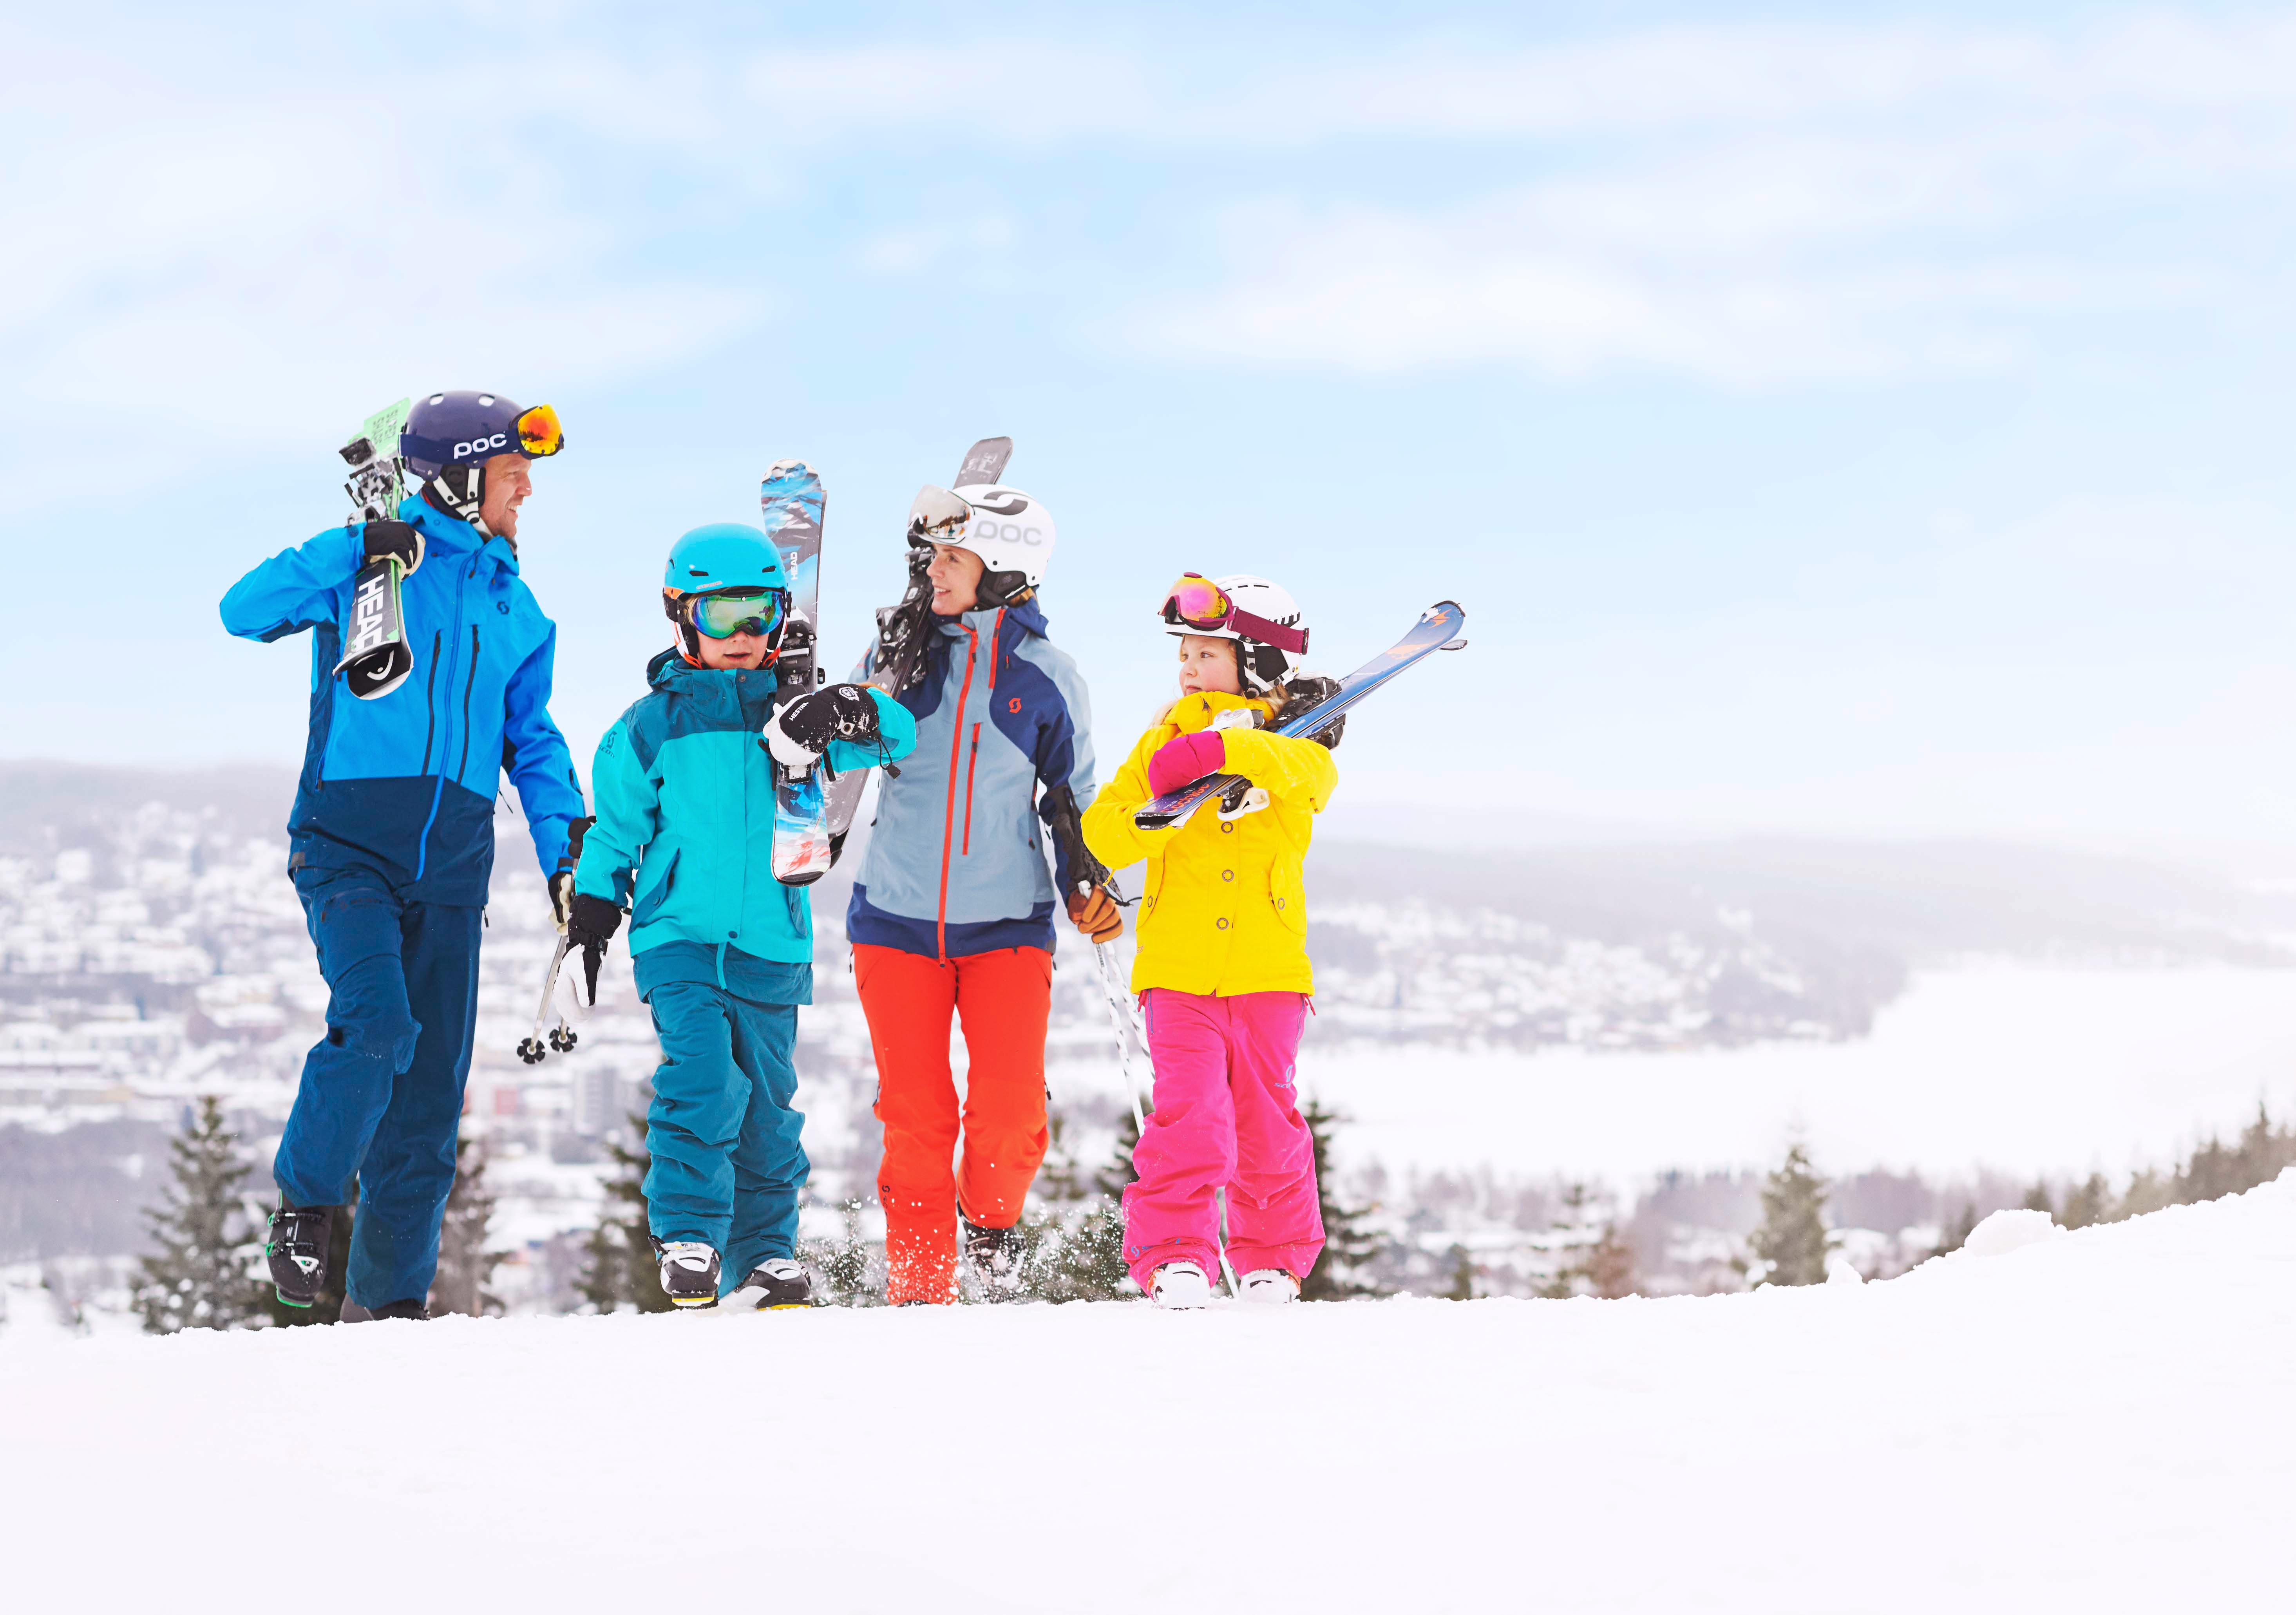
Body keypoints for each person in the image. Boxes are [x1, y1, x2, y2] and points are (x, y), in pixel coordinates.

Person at [220, 389, 584, 1321]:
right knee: (378, 1027)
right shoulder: (374, 568)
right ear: (462, 483)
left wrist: (565, 844)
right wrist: (358, 547)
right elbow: (242, 610)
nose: (528, 492)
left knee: (426, 1108)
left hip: (454, 871)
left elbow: (532, 742)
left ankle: (389, 1313)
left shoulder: (516, 605)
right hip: (348, 849)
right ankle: (306, 1208)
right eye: (513, 475)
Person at [566, 523, 916, 1308]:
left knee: (767, 1104)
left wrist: (839, 708)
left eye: (760, 613)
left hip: (771, 946)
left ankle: (766, 1253)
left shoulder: (796, 717)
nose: (743, 634)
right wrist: (591, 922)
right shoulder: (650, 726)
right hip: (679, 939)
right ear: (681, 614)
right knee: (700, 1075)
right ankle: (690, 1234)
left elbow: (901, 734)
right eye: (722, 614)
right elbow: (615, 833)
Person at [847, 481, 1119, 1303]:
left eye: (953, 556)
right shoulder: (902, 659)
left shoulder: (1047, 677)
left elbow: (1071, 796)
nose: (934, 569)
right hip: (893, 922)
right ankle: (922, 1292)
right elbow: (842, 752)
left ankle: (993, 1227)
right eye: (931, 555)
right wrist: (841, 704)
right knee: (916, 1120)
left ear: (1000, 564)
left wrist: (1085, 872)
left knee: (1006, 1117)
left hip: (1007, 926)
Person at [1081, 573, 1340, 1308]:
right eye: (1185, 656)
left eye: (1205, 654)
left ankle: (1270, 1260)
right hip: (1178, 970)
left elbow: (1312, 782)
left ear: (1256, 662)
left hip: (1267, 969)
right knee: (1189, 1116)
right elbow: (1104, 830)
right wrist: (1155, 817)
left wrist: (1240, 751)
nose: (1188, 668)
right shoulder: (1162, 739)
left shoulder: (1300, 749)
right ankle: (1174, 1254)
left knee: (1267, 1120)